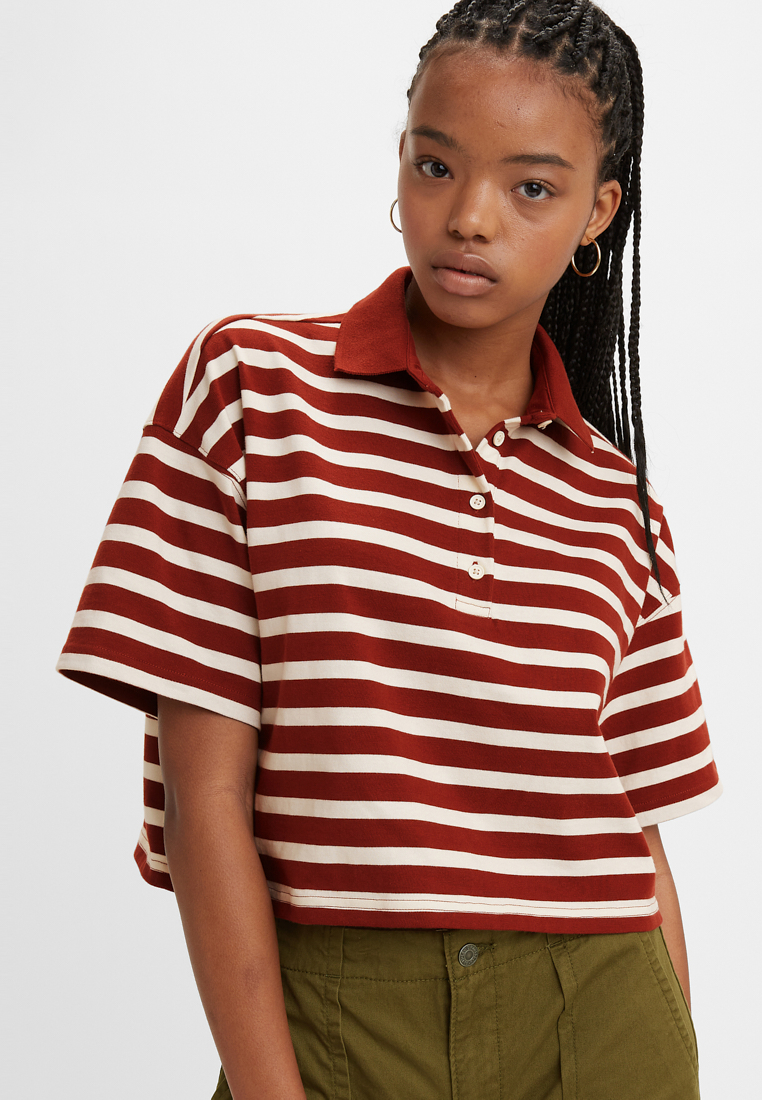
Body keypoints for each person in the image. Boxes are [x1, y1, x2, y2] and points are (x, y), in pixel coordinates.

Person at [57, 1, 722, 1097]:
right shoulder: (251, 390)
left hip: (600, 1015)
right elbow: (204, 793)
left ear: (597, 212)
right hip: (338, 1016)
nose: (470, 218)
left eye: (532, 188)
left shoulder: (617, 502)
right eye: (435, 165)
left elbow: (639, 842)